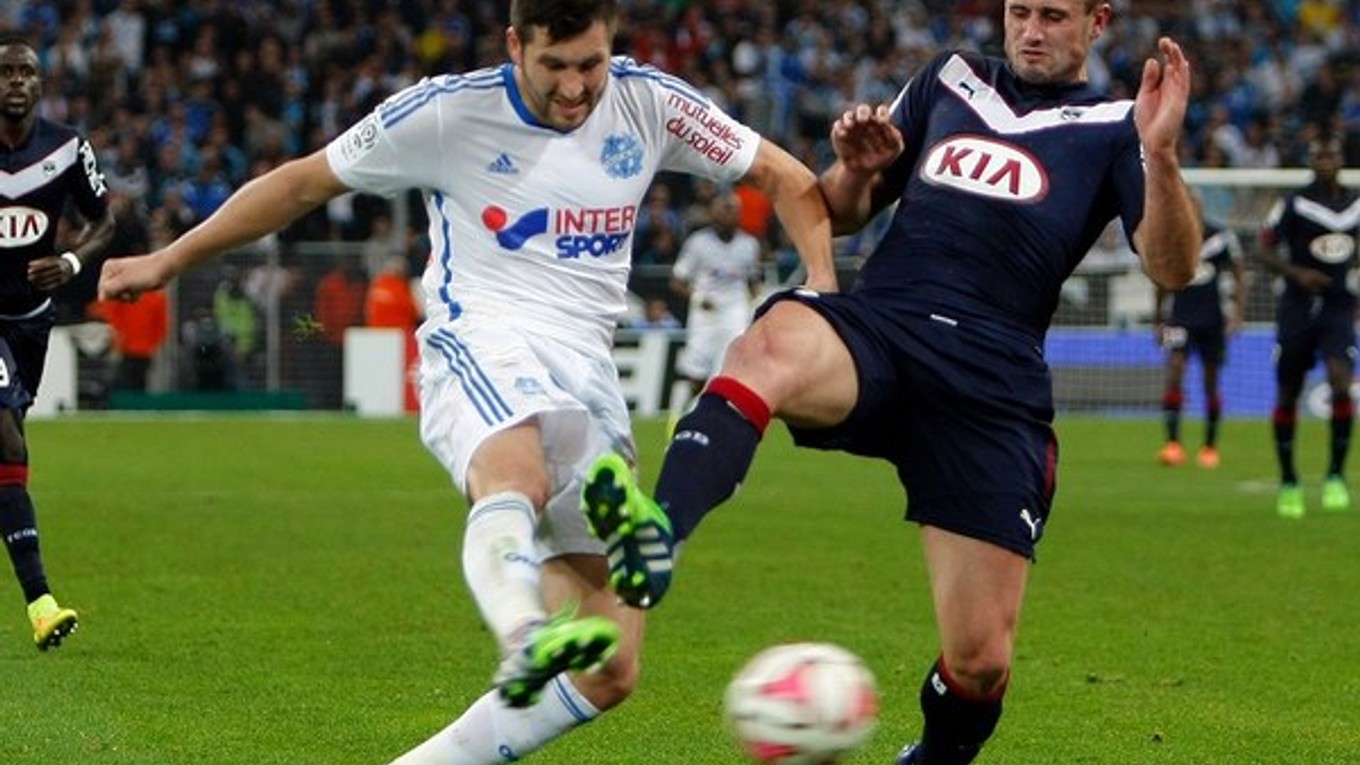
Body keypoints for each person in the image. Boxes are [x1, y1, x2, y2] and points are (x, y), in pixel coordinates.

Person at [98, 1, 835, 762]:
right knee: (516, 478)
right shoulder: (447, 114)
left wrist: (818, 288)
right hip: (482, 337)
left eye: (592, 64)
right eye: (556, 66)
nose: (578, 88)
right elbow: (300, 184)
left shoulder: (649, 101)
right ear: (516, 44)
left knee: (610, 667)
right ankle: (520, 633)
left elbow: (783, 174)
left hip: (587, 377)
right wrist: (167, 261)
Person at [580, 4, 1200, 764]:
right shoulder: (952, 79)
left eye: (1054, 15)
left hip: (992, 380)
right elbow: (840, 212)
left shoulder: (1117, 126)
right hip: (885, 327)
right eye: (1019, 12)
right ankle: (658, 531)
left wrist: (1162, 156)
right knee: (769, 343)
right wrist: (857, 167)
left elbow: (1172, 267)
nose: (1031, 30)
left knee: (979, 660)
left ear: (1097, 21)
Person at [0, 37, 116, 650]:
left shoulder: (67, 147)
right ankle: (41, 602)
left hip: (34, 319)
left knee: (9, 444)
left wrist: (71, 263)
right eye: (6, 72)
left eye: (27, 72)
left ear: (40, 83)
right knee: (6, 434)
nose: (16, 81)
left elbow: (107, 220)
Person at [1257, 138, 1360, 519]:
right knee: (1288, 393)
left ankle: (1335, 475)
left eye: (1331, 154)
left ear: (1341, 159)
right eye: (1318, 155)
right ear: (1311, 161)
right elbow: (1263, 249)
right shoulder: (1293, 202)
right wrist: (1297, 272)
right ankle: (1289, 481)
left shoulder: (1354, 203)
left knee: (1339, 381)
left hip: (1338, 307)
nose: (1326, 161)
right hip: (1297, 309)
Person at [1154, 195, 1246, 469]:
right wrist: (1159, 318)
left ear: (1200, 209)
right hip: (1179, 318)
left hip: (1212, 320)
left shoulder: (1220, 238)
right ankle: (1173, 445)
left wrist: (1237, 313)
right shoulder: (1172, 237)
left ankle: (1209, 446)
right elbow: (1160, 279)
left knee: (1210, 381)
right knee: (1174, 371)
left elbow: (1240, 273)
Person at [668, 188, 763, 420]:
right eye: (725, 209)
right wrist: (698, 299)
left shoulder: (749, 245)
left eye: (734, 210)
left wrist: (754, 303)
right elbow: (677, 281)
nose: (730, 214)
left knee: (728, 368)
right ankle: (679, 414)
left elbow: (754, 280)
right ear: (712, 213)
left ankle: (711, 417)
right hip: (705, 312)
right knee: (696, 372)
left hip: (734, 311)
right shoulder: (698, 243)